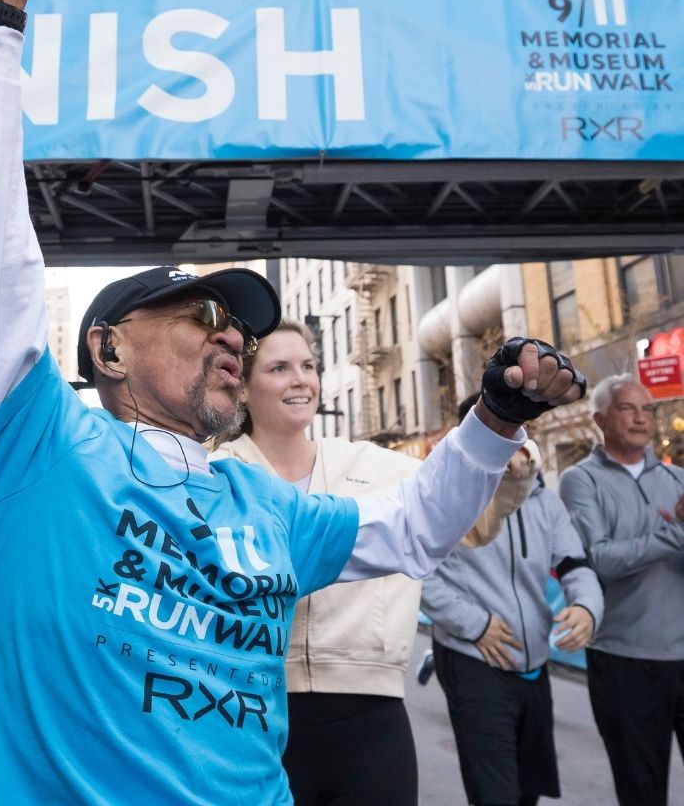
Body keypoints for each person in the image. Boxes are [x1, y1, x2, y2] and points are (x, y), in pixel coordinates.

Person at [0, 0, 586, 804]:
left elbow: (413, 531)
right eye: (199, 317)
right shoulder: (41, 445)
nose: (232, 337)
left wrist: (492, 417)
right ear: (108, 348)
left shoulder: (265, 504)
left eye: (239, 325)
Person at [211, 326, 539, 806]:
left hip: (371, 720)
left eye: (308, 366)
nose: (300, 380)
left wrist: (513, 471)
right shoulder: (213, 475)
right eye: (279, 368)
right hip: (247, 717)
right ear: (242, 386)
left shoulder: (378, 465)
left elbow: (473, 524)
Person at [421, 391, 603, 806]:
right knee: (495, 795)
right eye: (495, 432)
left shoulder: (545, 502)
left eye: (515, 431)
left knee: (528, 791)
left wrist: (587, 606)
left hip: (535, 665)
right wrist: (476, 624)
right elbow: (421, 577)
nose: (510, 442)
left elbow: (576, 564)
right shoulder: (447, 500)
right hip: (473, 662)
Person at [559, 374, 684, 806]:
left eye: (647, 409)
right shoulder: (580, 481)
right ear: (599, 419)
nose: (640, 418)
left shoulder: (678, 481)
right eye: (627, 408)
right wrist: (676, 532)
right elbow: (598, 559)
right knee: (642, 792)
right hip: (625, 660)